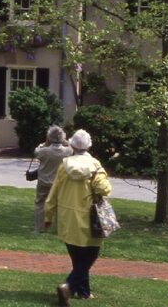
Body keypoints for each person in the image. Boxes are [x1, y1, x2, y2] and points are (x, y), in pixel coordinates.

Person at [44, 129, 112, 305]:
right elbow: (104, 189)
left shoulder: (64, 165)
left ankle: (83, 292)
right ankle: (68, 286)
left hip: (67, 217)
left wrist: (48, 215)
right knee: (89, 257)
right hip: (90, 217)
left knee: (77, 257)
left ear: (72, 145)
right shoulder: (95, 165)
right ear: (89, 145)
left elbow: (54, 193)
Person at [33, 125, 72, 233]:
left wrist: (46, 142)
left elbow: (36, 151)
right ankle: (60, 229)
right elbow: (72, 146)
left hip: (44, 182)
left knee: (40, 203)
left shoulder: (43, 151)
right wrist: (64, 141)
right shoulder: (67, 151)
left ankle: (39, 228)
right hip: (60, 183)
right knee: (60, 205)